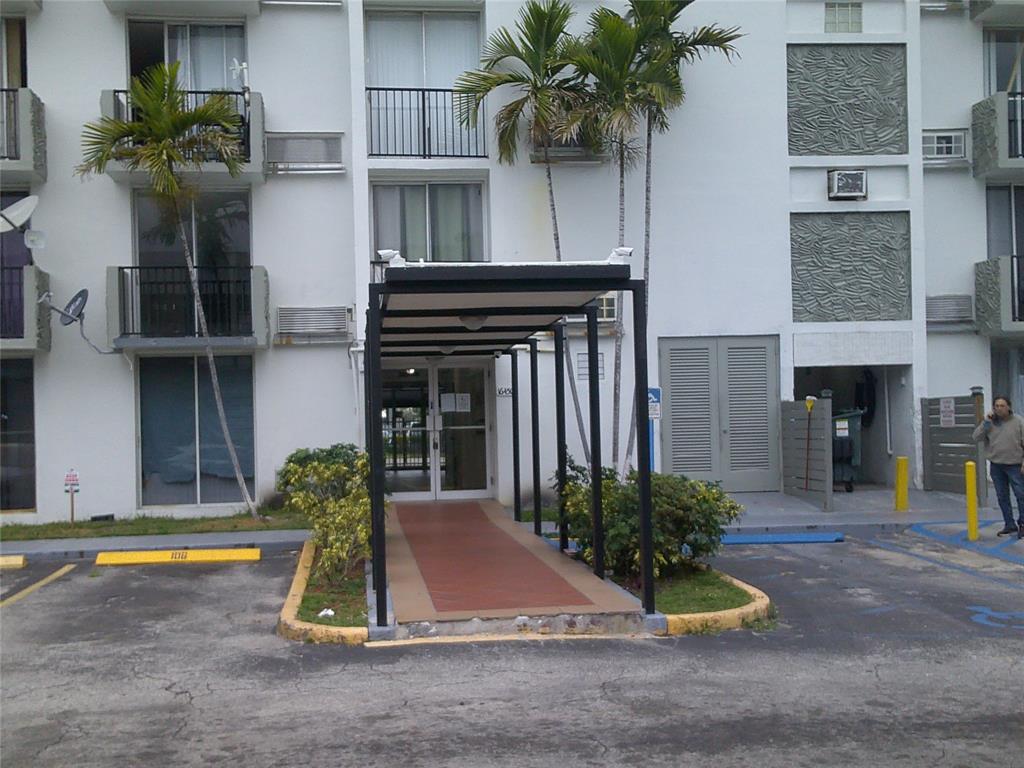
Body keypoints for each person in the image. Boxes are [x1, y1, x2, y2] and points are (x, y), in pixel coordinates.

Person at [972, 396, 1024, 538]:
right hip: (997, 465)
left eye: (1002, 406)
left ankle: (1023, 523)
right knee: (1002, 496)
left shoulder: (1018, 421)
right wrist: (986, 423)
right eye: (996, 406)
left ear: (1009, 407)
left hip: (1015, 464)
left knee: (1021, 495)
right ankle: (1009, 524)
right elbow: (976, 437)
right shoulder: (990, 423)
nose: (999, 409)